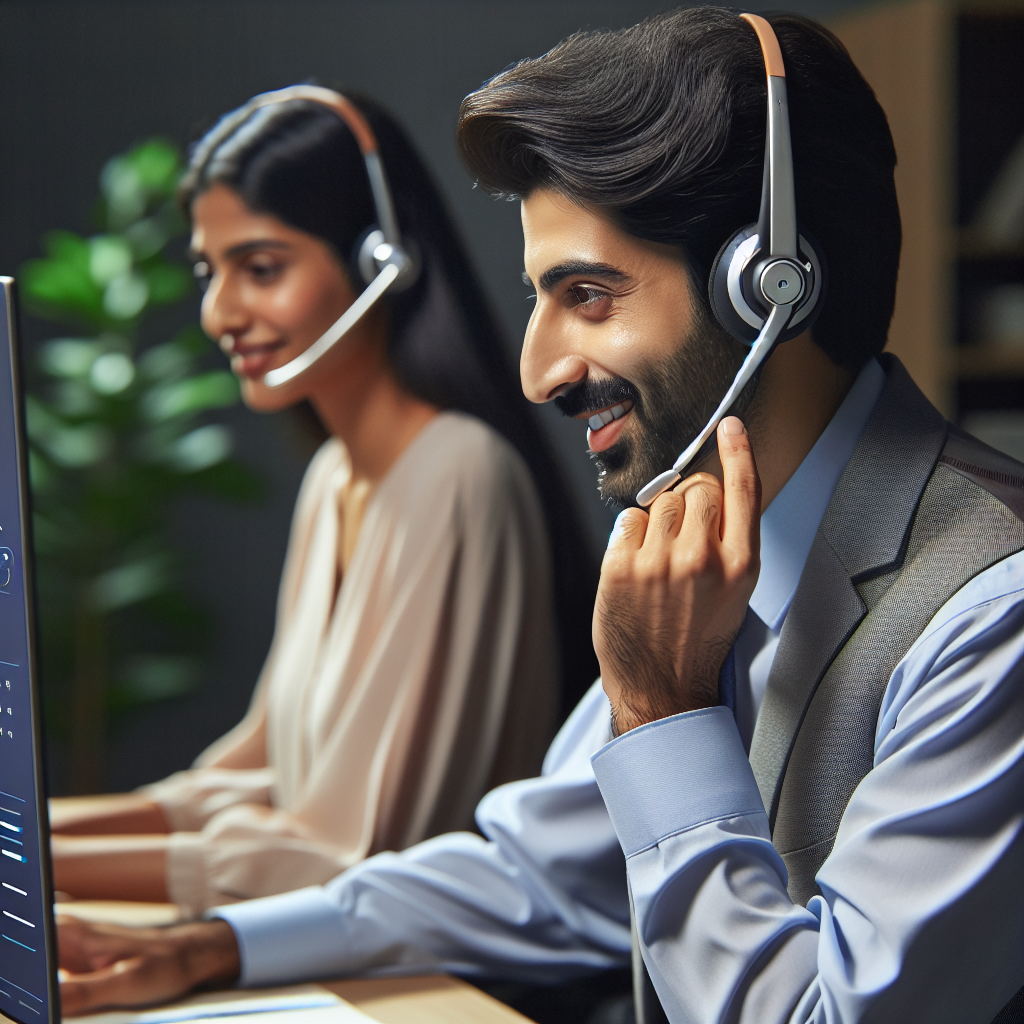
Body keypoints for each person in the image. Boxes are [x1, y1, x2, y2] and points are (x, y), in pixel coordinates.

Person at [58, 11, 1024, 1024]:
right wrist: (213, 946)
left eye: (589, 295)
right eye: (539, 298)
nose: (537, 371)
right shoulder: (694, 550)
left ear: (767, 285)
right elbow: (547, 876)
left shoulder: (991, 615)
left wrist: (664, 715)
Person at [48, 88, 599, 918]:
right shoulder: (335, 477)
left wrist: (45, 863)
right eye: (210, 271)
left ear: (383, 261)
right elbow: (261, 778)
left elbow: (351, 852)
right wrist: (34, 836)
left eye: (260, 268)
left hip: (426, 973)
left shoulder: (458, 473)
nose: (219, 313)